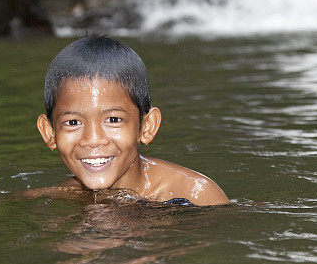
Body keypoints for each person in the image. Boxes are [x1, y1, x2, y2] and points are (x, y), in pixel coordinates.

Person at [35, 35, 229, 206]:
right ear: (50, 133)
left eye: (113, 119)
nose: (93, 139)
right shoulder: (64, 196)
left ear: (146, 127)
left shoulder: (196, 195)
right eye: (73, 122)